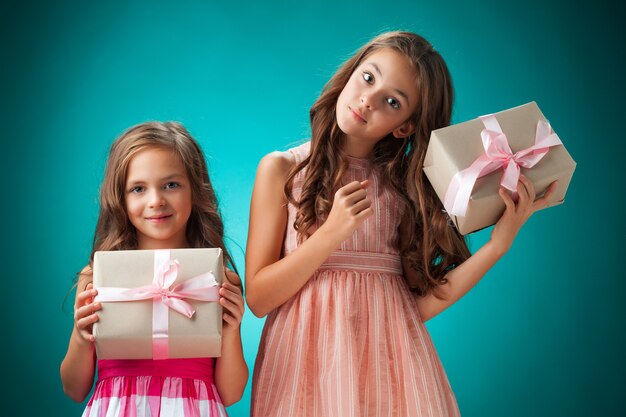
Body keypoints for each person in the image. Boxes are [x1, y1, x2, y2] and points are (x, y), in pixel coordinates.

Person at [245, 31, 557, 416]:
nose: (367, 99)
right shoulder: (281, 170)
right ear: (351, 72)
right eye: (368, 77)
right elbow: (258, 299)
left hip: (393, 378)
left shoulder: (401, 195)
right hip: (301, 376)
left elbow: (415, 309)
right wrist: (330, 234)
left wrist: (497, 245)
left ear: (405, 127)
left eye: (391, 101)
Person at [60, 122, 248, 416]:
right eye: (138, 189)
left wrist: (233, 329)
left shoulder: (216, 279)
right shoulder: (97, 277)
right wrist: (81, 336)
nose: (156, 201)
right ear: (120, 199)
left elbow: (231, 393)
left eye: (171, 185)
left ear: (195, 190)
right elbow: (73, 388)